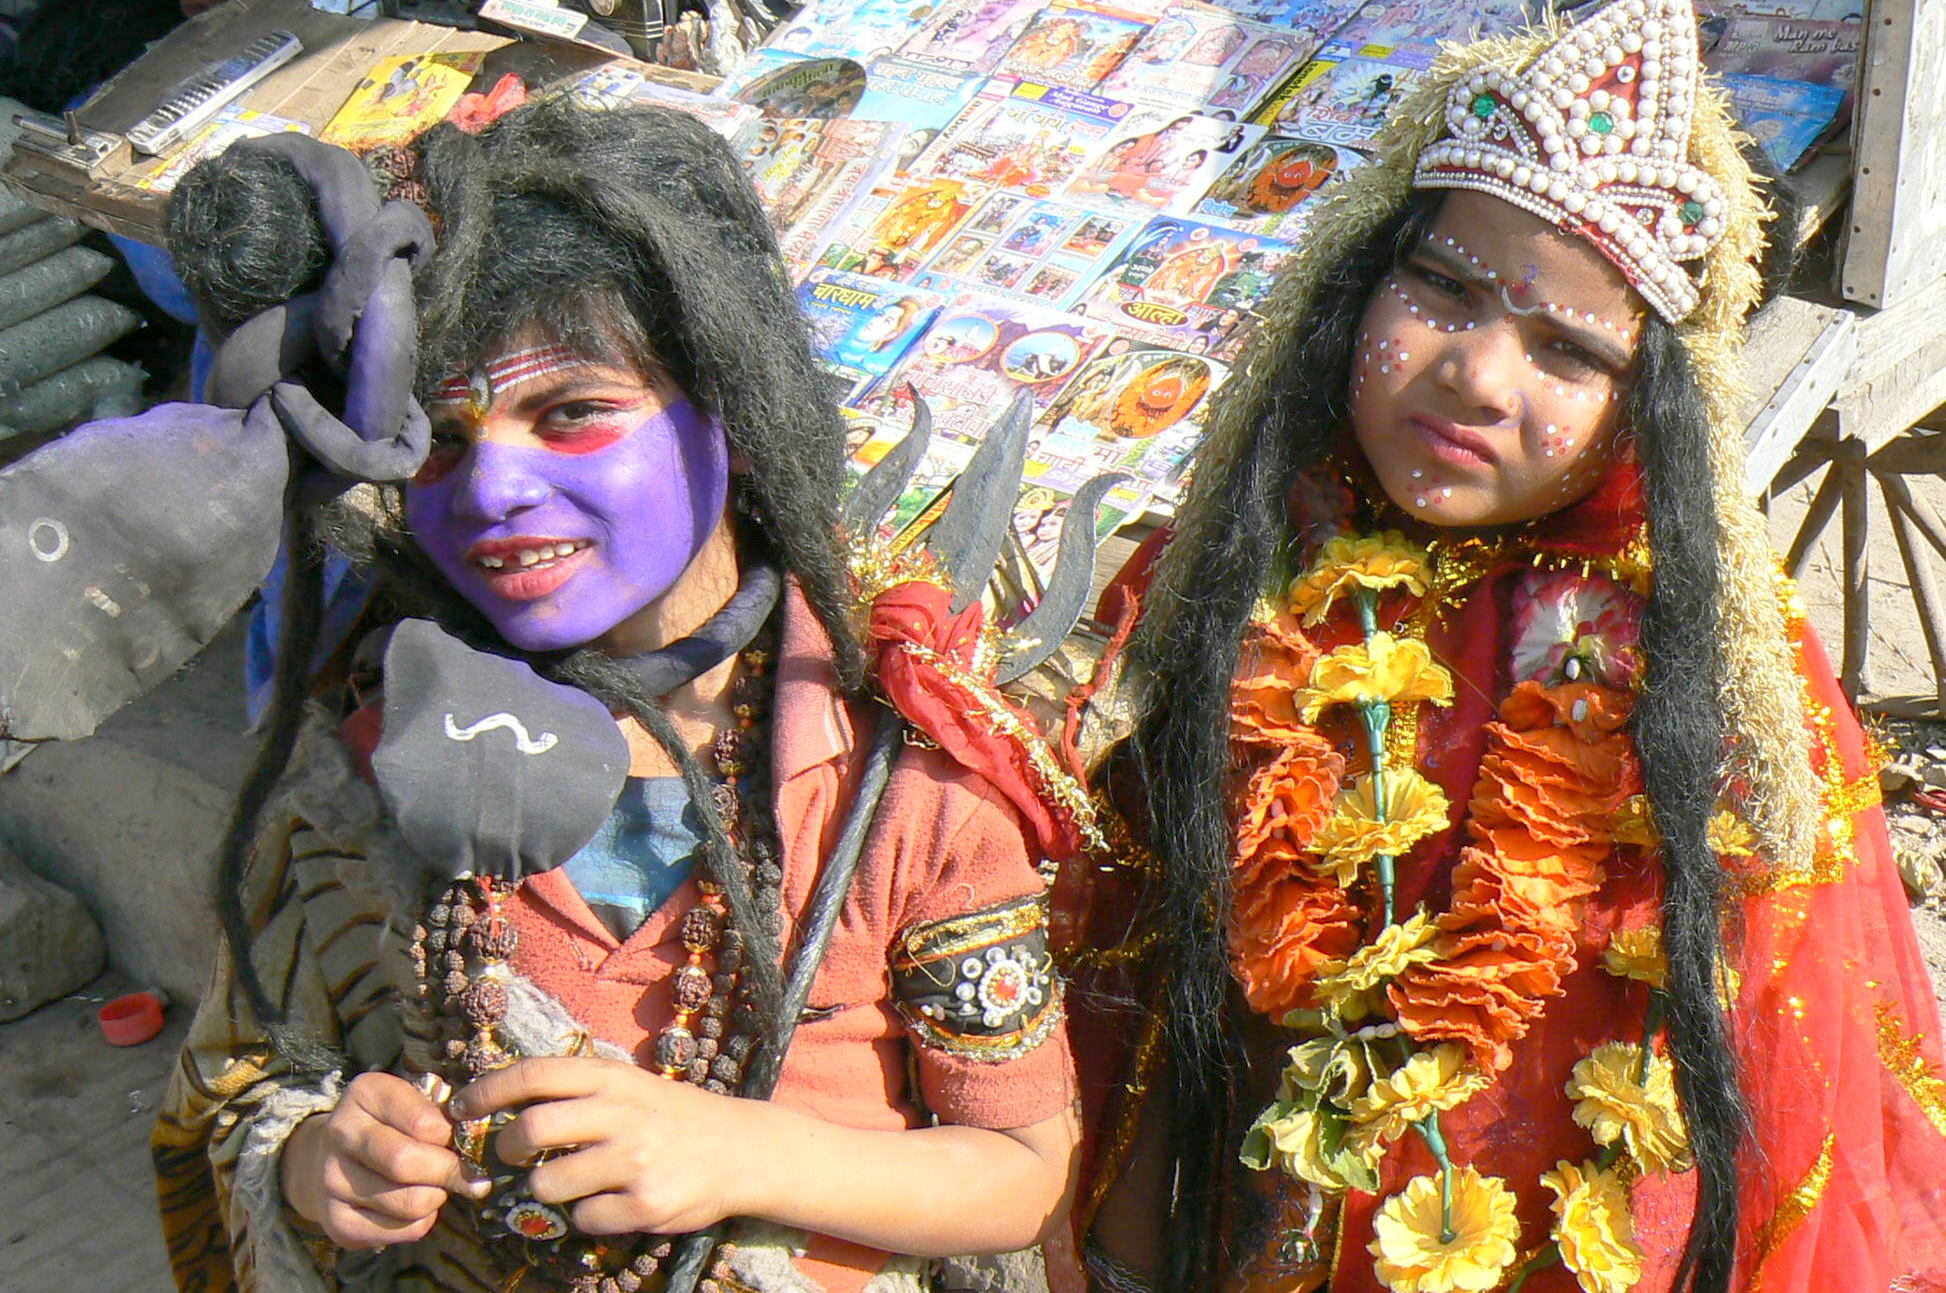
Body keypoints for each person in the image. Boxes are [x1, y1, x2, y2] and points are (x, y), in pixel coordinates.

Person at [116, 99, 1085, 1292]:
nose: (494, 490)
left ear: (733, 407)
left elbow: (1020, 1169)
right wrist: (323, 1158)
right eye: (442, 440)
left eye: (571, 412)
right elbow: (248, 1078)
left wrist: (741, 1154)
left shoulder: (899, 777)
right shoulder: (365, 754)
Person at [1065, 2, 1946, 1291]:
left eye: (1566, 350)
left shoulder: (1710, 675)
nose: (1476, 377)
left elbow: (1782, 1066)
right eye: (1442, 289)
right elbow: (1137, 978)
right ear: (1353, 284)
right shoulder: (1233, 574)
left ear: (1644, 406)